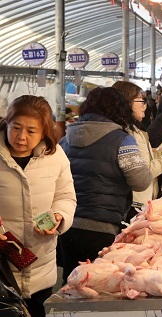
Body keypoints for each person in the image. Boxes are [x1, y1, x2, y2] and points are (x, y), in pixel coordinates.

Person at [59, 87, 151, 282]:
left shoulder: (65, 140)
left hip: (67, 225)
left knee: (71, 286)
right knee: (100, 286)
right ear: (119, 110)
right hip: (102, 226)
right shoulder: (122, 141)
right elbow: (141, 181)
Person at [0, 95, 76, 317]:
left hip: (40, 264)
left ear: (44, 132)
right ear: (7, 123)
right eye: (16, 127)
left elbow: (66, 196)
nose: (21, 137)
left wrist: (60, 216)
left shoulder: (55, 156)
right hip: (3, 269)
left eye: (31, 131)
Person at [112, 81, 162, 219]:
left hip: (139, 199)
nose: (145, 106)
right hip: (136, 202)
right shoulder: (130, 135)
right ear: (127, 103)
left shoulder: (133, 130)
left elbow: (146, 158)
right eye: (141, 102)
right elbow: (146, 171)